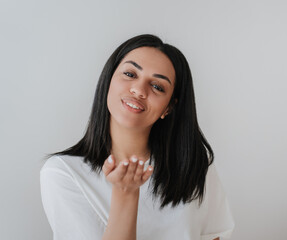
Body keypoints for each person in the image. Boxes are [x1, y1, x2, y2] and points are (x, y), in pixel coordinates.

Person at [40, 34, 234, 240]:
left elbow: (216, 235)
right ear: (109, 81)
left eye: (158, 86)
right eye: (130, 74)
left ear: (168, 107)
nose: (139, 90)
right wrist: (126, 193)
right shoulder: (62, 173)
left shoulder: (194, 165)